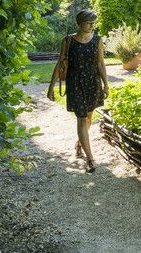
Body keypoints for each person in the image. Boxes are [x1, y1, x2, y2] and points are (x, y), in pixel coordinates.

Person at [47, 9, 109, 173]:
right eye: (88, 22)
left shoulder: (98, 40)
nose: (91, 26)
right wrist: (51, 87)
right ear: (80, 23)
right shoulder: (68, 41)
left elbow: (101, 64)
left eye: (93, 23)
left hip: (92, 83)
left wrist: (106, 85)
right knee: (81, 119)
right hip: (75, 84)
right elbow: (60, 63)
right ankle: (90, 159)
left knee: (88, 118)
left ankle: (80, 143)